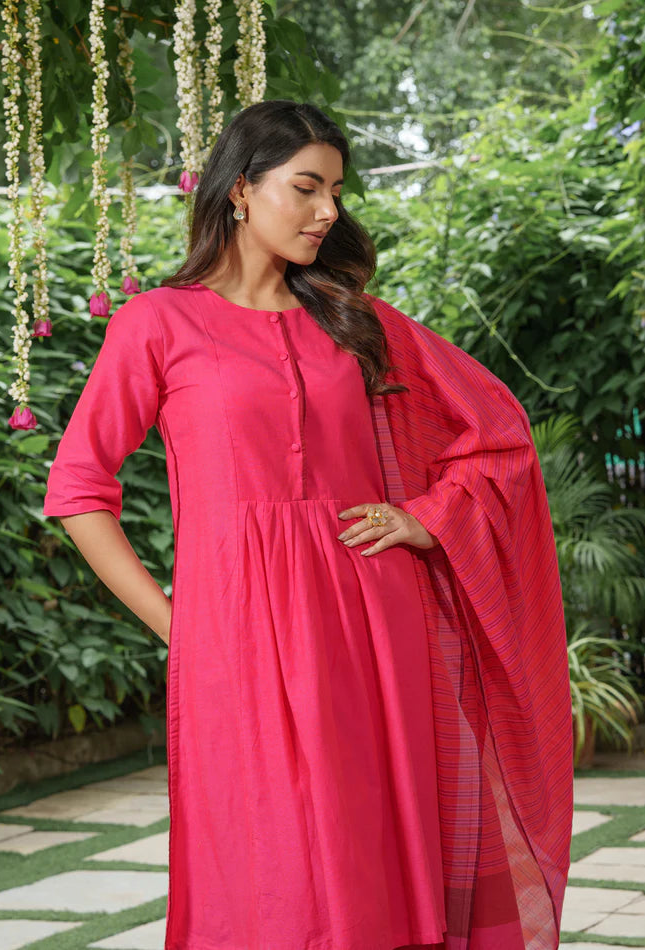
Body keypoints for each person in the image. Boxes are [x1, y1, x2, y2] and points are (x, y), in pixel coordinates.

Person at [43, 99, 573, 950]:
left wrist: (425, 519)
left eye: (335, 191)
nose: (327, 210)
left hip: (373, 621)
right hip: (235, 632)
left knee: (373, 854)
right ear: (239, 191)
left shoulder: (354, 320)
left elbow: (497, 436)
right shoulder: (157, 323)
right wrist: (178, 626)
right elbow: (78, 488)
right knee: (266, 860)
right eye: (306, 187)